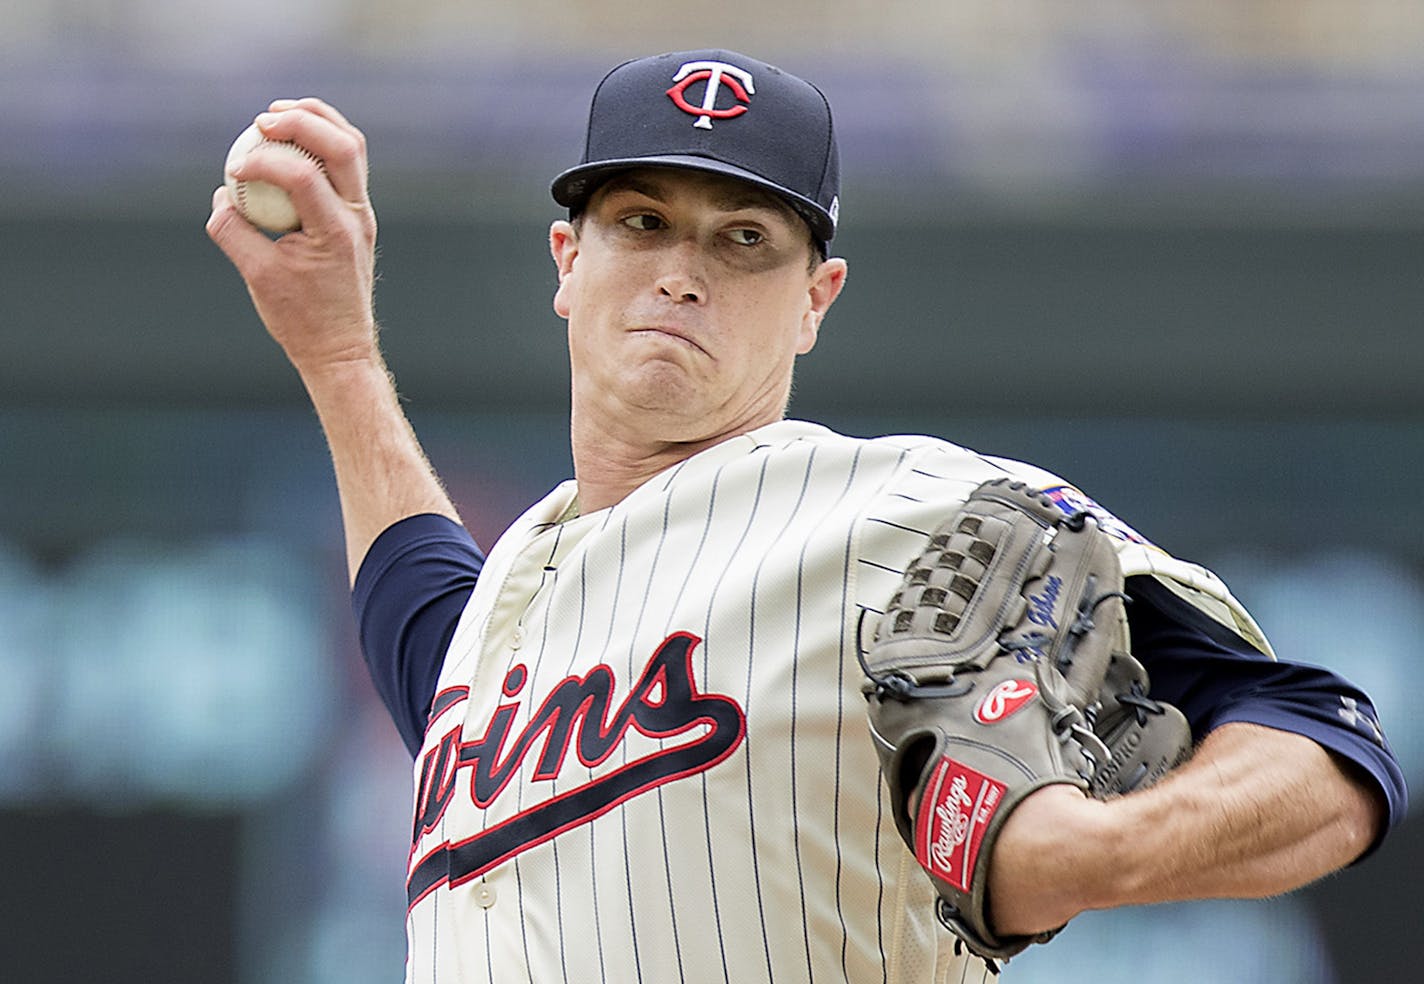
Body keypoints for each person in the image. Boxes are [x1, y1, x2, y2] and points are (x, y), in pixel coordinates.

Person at [208, 49, 1406, 983]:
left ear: (813, 300)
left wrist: (1093, 856)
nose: (682, 269)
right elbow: (429, 645)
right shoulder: (517, 598)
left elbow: (1323, 738)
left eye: (743, 239)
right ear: (567, 260)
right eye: (642, 222)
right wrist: (335, 349)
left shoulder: (911, 508)